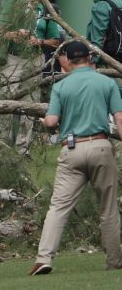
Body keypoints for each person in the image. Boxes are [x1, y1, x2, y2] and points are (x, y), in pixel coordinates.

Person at [30, 41, 122, 275]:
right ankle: (114, 261)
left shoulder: (62, 86)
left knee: (59, 207)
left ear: (68, 61)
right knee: (108, 208)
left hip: (72, 149)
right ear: (90, 59)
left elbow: (51, 122)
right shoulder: (106, 82)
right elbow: (119, 120)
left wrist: (47, 125)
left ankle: (44, 258)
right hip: (101, 145)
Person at [1, 0, 63, 153]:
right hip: (13, 58)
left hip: (36, 59)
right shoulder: (13, 6)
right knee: (6, 97)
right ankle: (3, 145)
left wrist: (40, 42)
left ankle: (23, 147)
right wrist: (14, 35)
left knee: (31, 102)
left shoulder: (46, 9)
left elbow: (55, 40)